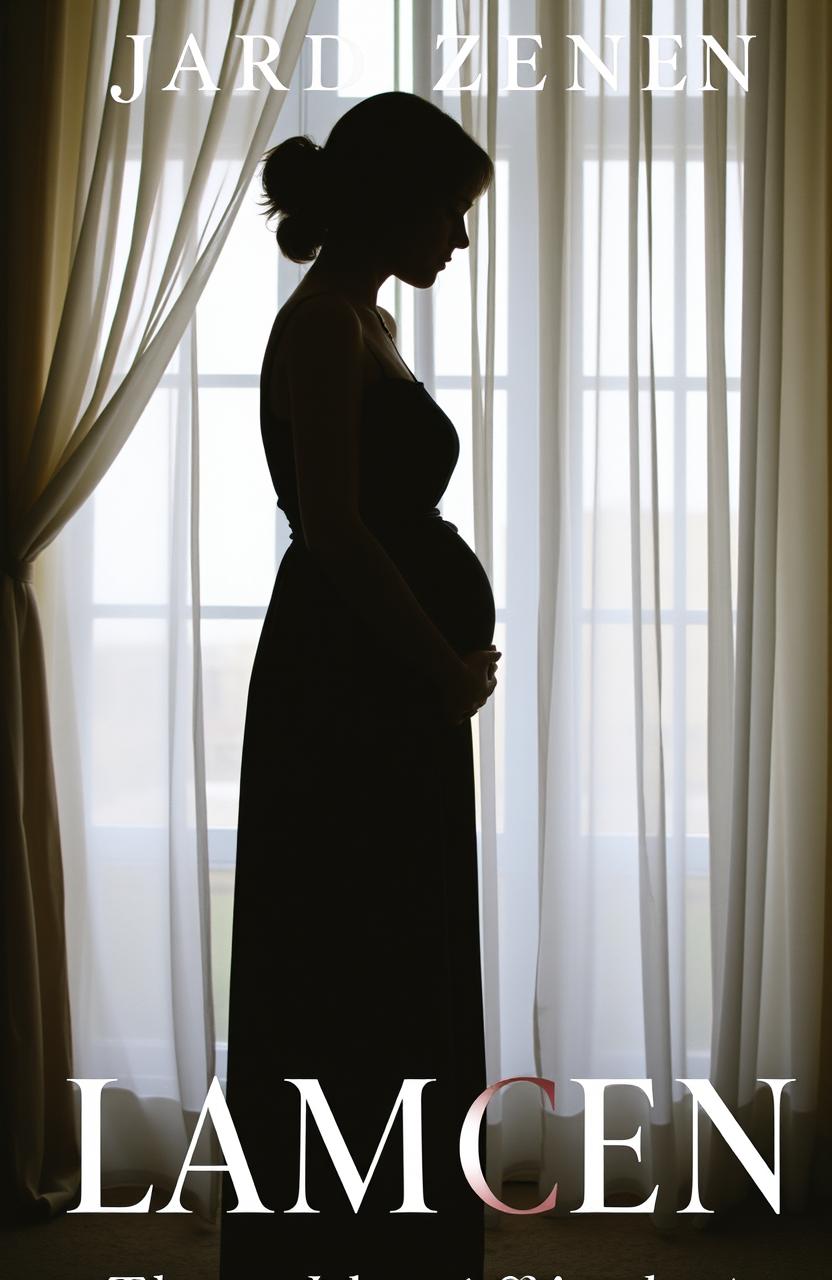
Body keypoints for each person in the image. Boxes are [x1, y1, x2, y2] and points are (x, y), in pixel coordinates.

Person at [218, 91, 501, 1280]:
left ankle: (402, 1232)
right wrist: (439, 661)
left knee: (395, 942)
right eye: (450, 208)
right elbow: (331, 524)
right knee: (356, 948)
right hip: (349, 685)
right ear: (393, 198)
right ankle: (345, 1241)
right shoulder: (326, 326)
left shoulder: (364, 321)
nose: (460, 237)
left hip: (379, 680)